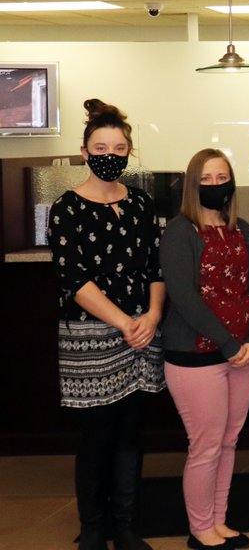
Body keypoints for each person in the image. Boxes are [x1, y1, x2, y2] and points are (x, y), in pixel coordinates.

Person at [50, 99, 165, 550]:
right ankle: (94, 529)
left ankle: (126, 526)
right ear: (84, 152)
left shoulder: (140, 203)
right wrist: (125, 323)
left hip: (142, 334)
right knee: (97, 435)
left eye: (118, 148)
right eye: (101, 148)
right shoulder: (66, 208)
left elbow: (156, 268)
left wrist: (151, 316)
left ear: (129, 152)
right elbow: (74, 280)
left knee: (130, 434)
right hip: (91, 337)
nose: (109, 155)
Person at [160, 148, 249, 550]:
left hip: (243, 356)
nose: (215, 185)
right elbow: (183, 296)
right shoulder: (179, 232)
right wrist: (228, 342)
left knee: (228, 442)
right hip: (197, 357)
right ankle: (201, 529)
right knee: (205, 446)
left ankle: (219, 521)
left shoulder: (241, 228)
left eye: (222, 178)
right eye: (206, 179)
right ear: (192, 184)